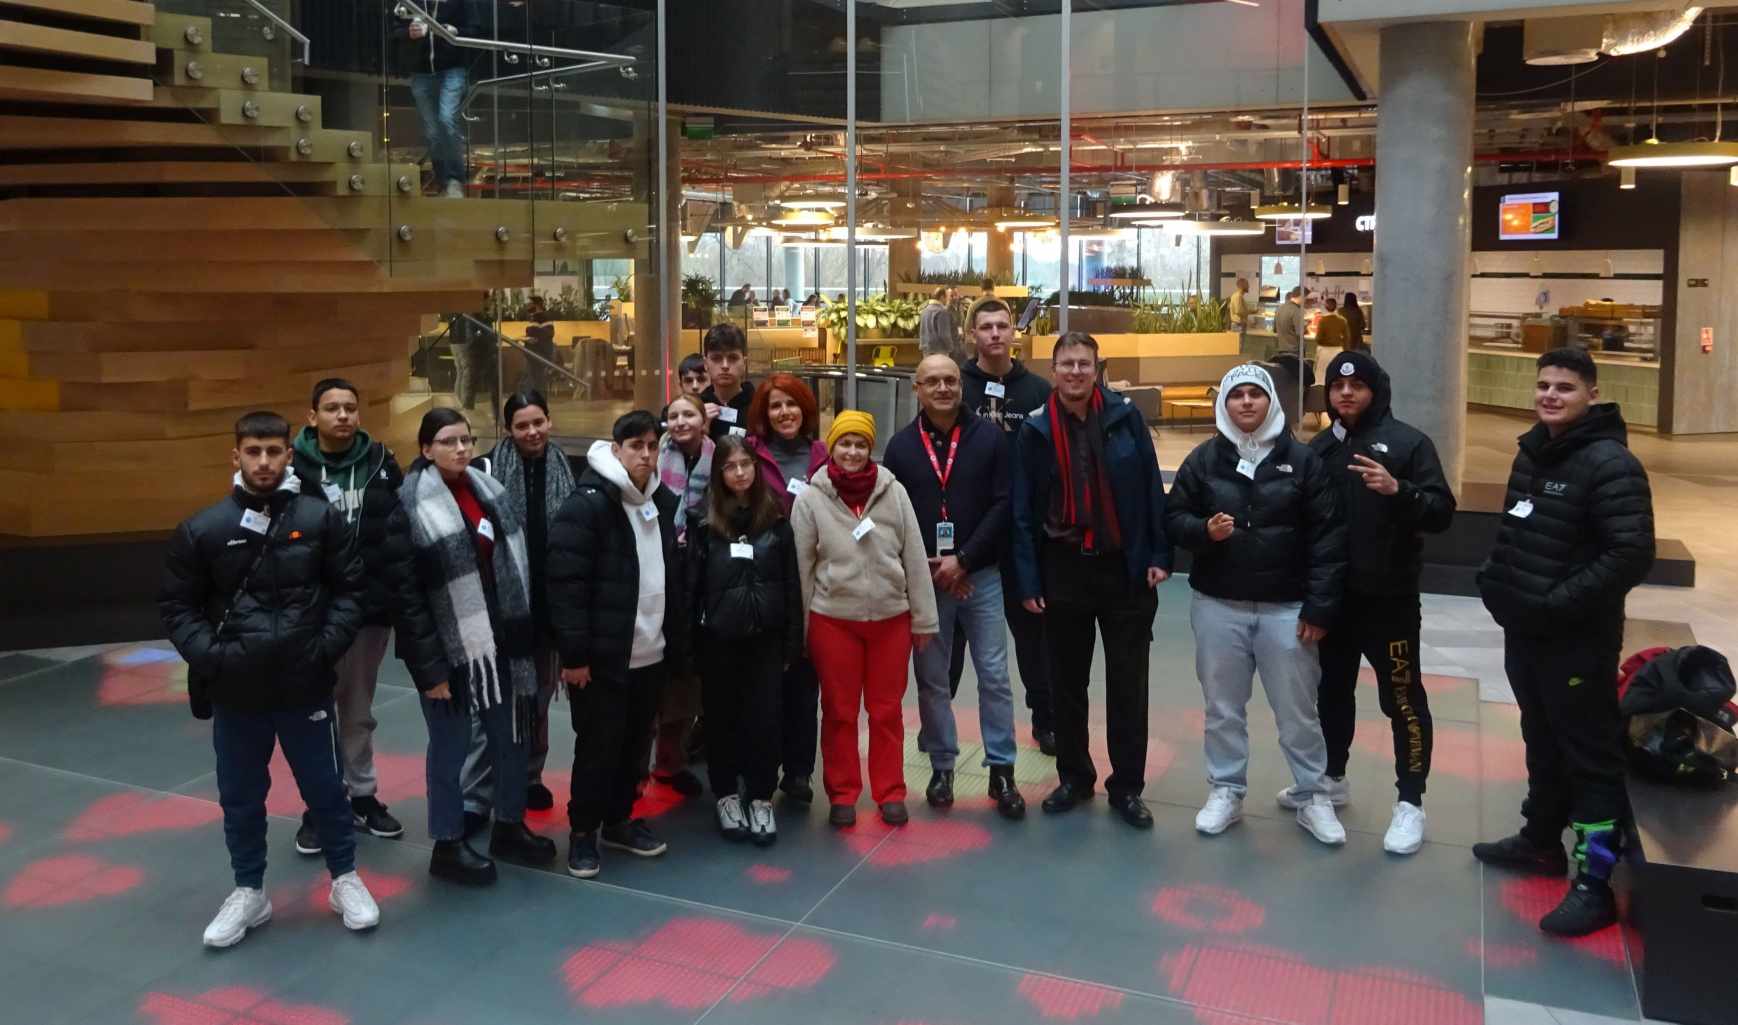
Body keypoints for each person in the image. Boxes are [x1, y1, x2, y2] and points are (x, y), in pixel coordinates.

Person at [160, 411, 378, 947]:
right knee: (240, 795)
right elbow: (178, 607)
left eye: (273, 451)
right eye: (253, 451)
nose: (263, 462)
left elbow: (351, 591)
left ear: (289, 455)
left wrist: (322, 649)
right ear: (236, 455)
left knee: (326, 789)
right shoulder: (204, 529)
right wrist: (214, 658)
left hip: (305, 686)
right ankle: (249, 891)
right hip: (237, 691)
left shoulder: (321, 519)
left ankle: (344, 878)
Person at [1474, 347, 1655, 937]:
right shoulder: (1533, 451)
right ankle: (1540, 841)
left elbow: (1630, 554)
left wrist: (1557, 604)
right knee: (1541, 738)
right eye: (1544, 385)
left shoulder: (1611, 464)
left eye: (1565, 388)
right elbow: (1515, 530)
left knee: (1589, 758)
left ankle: (1594, 882)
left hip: (1577, 641)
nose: (1551, 395)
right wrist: (1495, 583)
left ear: (1592, 395)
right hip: (1527, 632)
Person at [1165, 364, 1348, 846]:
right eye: (1236, 395)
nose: (1246, 402)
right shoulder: (1203, 460)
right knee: (1222, 708)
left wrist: (1319, 607)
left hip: (1287, 610)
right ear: (1224, 404)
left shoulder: (1304, 462)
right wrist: (1203, 531)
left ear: (1271, 401)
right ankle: (1225, 789)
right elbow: (1174, 517)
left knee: (1298, 711)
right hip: (1218, 604)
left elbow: (1328, 538)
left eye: (1255, 394)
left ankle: (1313, 794)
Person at [387, 408, 557, 885]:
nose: (460, 449)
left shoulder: (488, 490)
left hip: (500, 641)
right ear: (426, 449)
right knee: (451, 747)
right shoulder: (407, 507)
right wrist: (431, 670)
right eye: (448, 441)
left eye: (466, 439)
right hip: (450, 651)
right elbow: (406, 599)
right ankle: (447, 844)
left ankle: (509, 825)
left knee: (512, 736)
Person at [1010, 333, 1171, 829]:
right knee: (1066, 684)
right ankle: (1075, 777)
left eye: (1084, 364)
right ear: (1053, 371)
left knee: (1128, 683)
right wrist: (1029, 580)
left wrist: (1158, 554)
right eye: (1067, 364)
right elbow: (1022, 512)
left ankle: (1127, 787)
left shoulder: (1125, 418)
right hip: (1063, 568)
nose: (1075, 372)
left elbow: (1150, 487)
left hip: (1123, 568)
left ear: (1097, 369)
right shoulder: (1035, 429)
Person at [1305, 352, 1456, 855]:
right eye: (1337, 387)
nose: (1346, 394)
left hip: (1390, 603)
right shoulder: (1320, 448)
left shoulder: (1410, 443)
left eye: (1357, 386)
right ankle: (1332, 778)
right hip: (1335, 602)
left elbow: (1442, 512)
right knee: (1331, 693)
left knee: (1403, 699)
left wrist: (1399, 490)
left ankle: (1410, 802)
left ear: (1376, 390)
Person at [884, 355, 1025, 819]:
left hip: (980, 575)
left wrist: (963, 561)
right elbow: (896, 516)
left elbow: (1004, 505)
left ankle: (1001, 769)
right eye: (933, 382)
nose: (943, 388)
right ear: (917, 390)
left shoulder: (990, 438)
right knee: (932, 678)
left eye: (950, 380)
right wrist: (931, 568)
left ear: (961, 386)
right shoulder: (901, 448)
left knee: (994, 674)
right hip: (925, 580)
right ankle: (942, 766)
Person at [548, 411, 687, 879]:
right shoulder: (588, 504)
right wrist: (575, 656)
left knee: (634, 746)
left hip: (649, 650)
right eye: (635, 446)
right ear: (616, 449)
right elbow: (565, 584)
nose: (645, 455)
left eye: (652, 446)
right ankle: (583, 832)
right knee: (598, 747)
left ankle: (618, 820)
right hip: (603, 657)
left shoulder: (659, 500)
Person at [793, 411, 939, 828]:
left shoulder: (894, 492)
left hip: (892, 620)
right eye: (845, 443)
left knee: (886, 711)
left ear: (870, 448)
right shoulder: (811, 498)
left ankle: (890, 791)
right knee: (839, 711)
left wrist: (924, 619)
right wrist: (799, 631)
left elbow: (914, 555)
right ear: (832, 447)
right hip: (832, 621)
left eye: (861, 444)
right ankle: (842, 793)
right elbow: (802, 568)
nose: (853, 452)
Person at [288, 379, 406, 858]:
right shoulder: (292, 469)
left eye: (350, 408)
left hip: (368, 610)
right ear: (312, 416)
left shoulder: (381, 463)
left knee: (357, 710)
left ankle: (362, 795)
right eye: (332, 408)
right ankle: (321, 805)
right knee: (316, 712)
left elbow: (398, 529)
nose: (342, 415)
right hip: (311, 614)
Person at [457, 391, 578, 832]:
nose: (532, 432)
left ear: (549, 420)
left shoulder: (570, 470)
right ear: (508, 429)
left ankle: (529, 776)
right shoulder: (484, 472)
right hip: (501, 609)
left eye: (538, 422)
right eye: (522, 425)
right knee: (489, 706)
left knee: (538, 699)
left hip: (549, 607)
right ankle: (476, 796)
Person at [691, 434, 803, 844]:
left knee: (765, 719)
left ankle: (760, 797)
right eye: (730, 466)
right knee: (721, 718)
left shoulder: (775, 519)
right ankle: (725, 794)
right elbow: (692, 587)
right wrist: (690, 642)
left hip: (766, 639)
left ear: (756, 468)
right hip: (719, 639)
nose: (739, 473)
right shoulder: (704, 522)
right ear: (719, 473)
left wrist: (792, 640)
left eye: (746, 465)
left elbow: (791, 584)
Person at [960, 297, 1058, 754]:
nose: (996, 333)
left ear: (1014, 332)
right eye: (987, 327)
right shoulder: (957, 386)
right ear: (972, 335)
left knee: (1035, 634)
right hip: (969, 531)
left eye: (1002, 325)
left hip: (1025, 534)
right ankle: (935, 721)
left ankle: (1046, 719)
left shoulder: (1038, 391)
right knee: (952, 636)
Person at [744, 374, 829, 803]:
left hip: (812, 584)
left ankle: (799, 772)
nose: (784, 413)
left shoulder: (822, 456)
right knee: (762, 684)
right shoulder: (748, 454)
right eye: (775, 405)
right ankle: (761, 766)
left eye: (791, 404)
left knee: (804, 682)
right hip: (764, 581)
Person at [649, 393, 715, 797]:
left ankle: (670, 761)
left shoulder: (719, 458)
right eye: (673, 415)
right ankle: (636, 769)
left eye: (689, 414)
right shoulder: (654, 457)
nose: (680, 421)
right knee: (654, 676)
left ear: (703, 420)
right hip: (660, 570)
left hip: (700, 576)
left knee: (687, 677)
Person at [395, 0, 483, 198]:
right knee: (432, 132)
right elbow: (395, 30)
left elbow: (475, 30)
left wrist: (455, 31)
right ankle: (444, 181)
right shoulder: (412, 2)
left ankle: (454, 180)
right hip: (421, 73)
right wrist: (408, 33)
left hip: (453, 69)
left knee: (446, 119)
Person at [701, 323, 753, 442]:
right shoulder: (695, 408)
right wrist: (699, 431)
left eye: (733, 358)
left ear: (744, 363)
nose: (725, 365)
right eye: (716, 358)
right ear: (705, 363)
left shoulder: (759, 407)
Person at [449, 298, 498, 411]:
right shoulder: (470, 311)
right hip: (462, 341)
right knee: (467, 373)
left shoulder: (456, 308)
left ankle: (459, 402)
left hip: (454, 341)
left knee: (461, 372)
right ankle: (464, 404)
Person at [522, 295, 557, 394]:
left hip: (539, 354)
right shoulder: (534, 318)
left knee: (538, 381)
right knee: (533, 381)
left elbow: (546, 334)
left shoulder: (544, 318)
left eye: (530, 303)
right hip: (532, 354)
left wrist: (532, 339)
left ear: (536, 305)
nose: (528, 305)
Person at [919, 287, 964, 363]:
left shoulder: (925, 310)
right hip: (939, 351)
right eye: (947, 297)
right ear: (942, 297)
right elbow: (944, 334)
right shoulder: (942, 311)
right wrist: (951, 348)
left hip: (926, 350)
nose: (947, 300)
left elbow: (922, 331)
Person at [1274, 287, 1305, 360]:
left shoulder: (1279, 308)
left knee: (1283, 366)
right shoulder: (1296, 310)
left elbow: (1275, 329)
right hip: (1294, 350)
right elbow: (1299, 333)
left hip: (1281, 348)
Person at [1229, 278, 1257, 356]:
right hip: (1238, 325)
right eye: (1247, 285)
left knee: (1238, 348)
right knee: (1238, 349)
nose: (1249, 287)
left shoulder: (1237, 296)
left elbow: (1241, 310)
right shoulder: (1238, 296)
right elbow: (1239, 311)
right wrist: (1248, 321)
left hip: (1238, 325)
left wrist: (1251, 311)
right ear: (1243, 285)